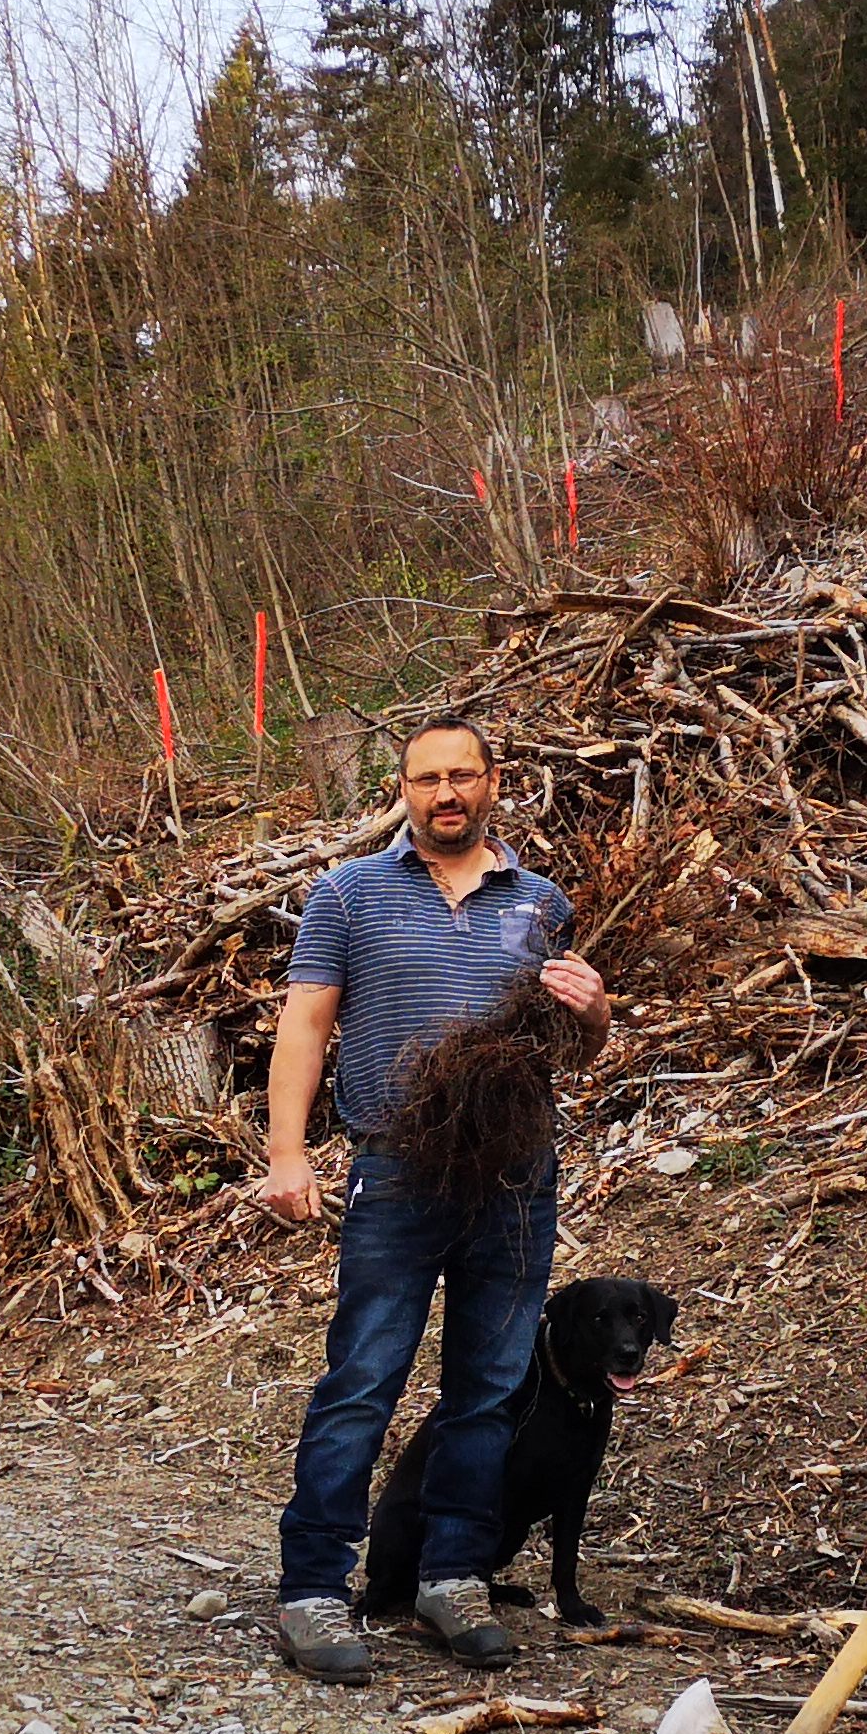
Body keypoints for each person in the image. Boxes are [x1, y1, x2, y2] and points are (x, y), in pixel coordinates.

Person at [255, 717, 610, 1682]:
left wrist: (596, 1011)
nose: (445, 793)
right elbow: (306, 1026)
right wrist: (289, 1152)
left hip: (516, 1178)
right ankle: (315, 1592)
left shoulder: (541, 904)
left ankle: (452, 1578)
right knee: (362, 1381)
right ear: (402, 792)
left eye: (462, 776)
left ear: (494, 782)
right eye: (425, 779)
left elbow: (576, 1048)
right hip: (397, 1170)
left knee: (489, 1390)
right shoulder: (350, 895)